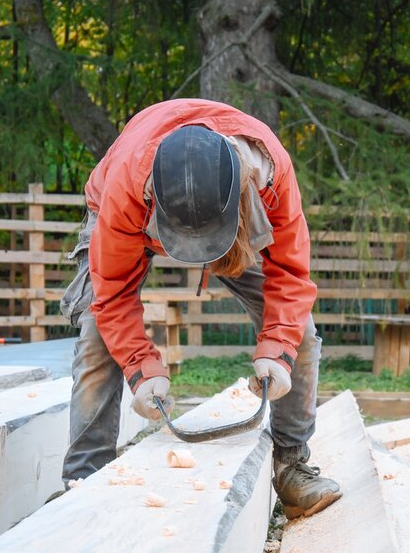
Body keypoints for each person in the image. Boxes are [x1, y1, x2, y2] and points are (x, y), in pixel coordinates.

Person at [59, 98, 341, 519]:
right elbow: (112, 295)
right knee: (97, 334)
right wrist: (140, 369)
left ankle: (292, 466)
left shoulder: (270, 175)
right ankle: (82, 482)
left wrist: (280, 349)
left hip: (234, 214)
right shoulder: (127, 187)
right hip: (131, 211)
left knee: (300, 331)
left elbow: (291, 275)